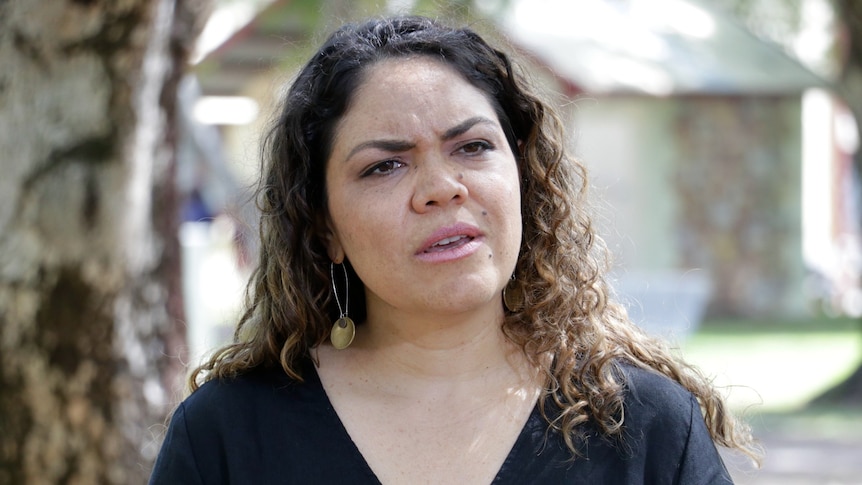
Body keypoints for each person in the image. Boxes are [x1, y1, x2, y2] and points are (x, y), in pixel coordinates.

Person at [150, 15, 760, 484]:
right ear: (324, 227)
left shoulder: (644, 426)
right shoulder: (226, 436)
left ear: (525, 178)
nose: (442, 188)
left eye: (472, 147)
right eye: (385, 166)